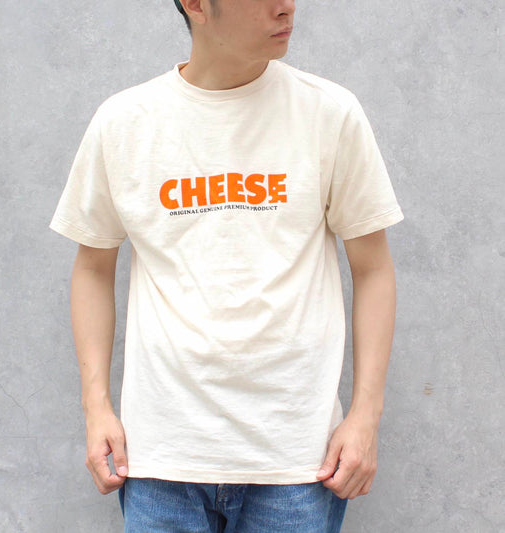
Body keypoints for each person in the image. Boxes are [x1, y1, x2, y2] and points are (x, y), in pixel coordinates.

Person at [49, 0, 404, 531]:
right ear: (196, 4)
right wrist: (96, 407)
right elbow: (93, 268)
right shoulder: (124, 122)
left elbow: (373, 269)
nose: (286, 7)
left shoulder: (329, 113)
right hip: (161, 460)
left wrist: (365, 416)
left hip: (298, 461)